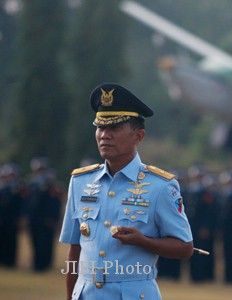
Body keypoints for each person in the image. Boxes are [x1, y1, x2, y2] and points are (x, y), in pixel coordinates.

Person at [59, 83, 193, 300]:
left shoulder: (160, 186)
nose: (104, 136)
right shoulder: (80, 181)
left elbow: (185, 248)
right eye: (100, 127)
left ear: (139, 136)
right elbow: (75, 249)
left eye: (114, 128)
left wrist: (144, 241)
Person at [26, 157, 62, 271]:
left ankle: (45, 265)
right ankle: (37, 265)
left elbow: (55, 203)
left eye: (42, 169)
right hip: (34, 219)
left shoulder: (52, 185)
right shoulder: (31, 184)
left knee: (46, 244)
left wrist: (55, 219)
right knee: (35, 243)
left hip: (47, 220)